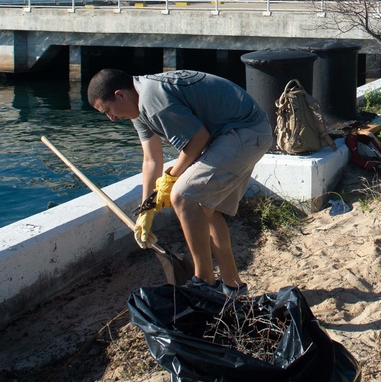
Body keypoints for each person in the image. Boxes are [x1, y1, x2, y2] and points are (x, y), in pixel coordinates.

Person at [88, 68, 272, 300]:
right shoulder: (138, 106)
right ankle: (233, 286)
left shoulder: (152, 98)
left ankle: (205, 281)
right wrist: (146, 209)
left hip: (246, 130)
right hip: (232, 134)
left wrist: (171, 178)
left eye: (108, 111)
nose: (111, 118)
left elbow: (198, 139)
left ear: (120, 94)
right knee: (206, 210)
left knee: (182, 196)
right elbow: (151, 159)